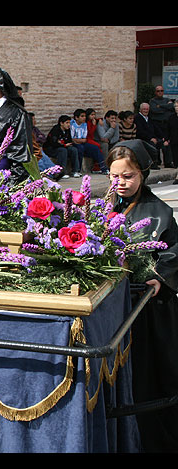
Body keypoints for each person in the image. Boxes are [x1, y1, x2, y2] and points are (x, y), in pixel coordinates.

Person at [106, 139, 178, 452]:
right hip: (111, 308)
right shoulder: (100, 208)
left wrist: (160, 275)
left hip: (147, 311)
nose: (120, 183)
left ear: (143, 174)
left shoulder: (159, 211)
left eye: (128, 176)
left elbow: (174, 250)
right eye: (114, 176)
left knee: (148, 376)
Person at [70, 109, 108, 174]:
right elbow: (72, 138)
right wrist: (78, 140)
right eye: (82, 116)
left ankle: (103, 168)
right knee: (80, 148)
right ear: (76, 117)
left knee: (95, 148)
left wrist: (79, 140)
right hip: (75, 144)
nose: (84, 118)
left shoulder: (84, 125)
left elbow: (84, 138)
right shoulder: (72, 125)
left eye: (84, 116)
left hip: (83, 142)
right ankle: (76, 170)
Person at [149, 86, 175, 168]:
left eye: (161, 91)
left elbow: (172, 107)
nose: (160, 92)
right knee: (157, 142)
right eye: (158, 91)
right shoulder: (152, 101)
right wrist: (165, 107)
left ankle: (168, 162)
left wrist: (160, 106)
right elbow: (154, 110)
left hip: (166, 124)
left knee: (167, 142)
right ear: (155, 92)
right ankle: (157, 161)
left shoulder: (167, 100)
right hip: (156, 124)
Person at [134, 103, 162, 169]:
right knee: (151, 145)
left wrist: (162, 137)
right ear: (140, 109)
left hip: (151, 138)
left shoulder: (149, 118)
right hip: (142, 139)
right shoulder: (137, 118)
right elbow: (140, 131)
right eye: (144, 109)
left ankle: (167, 162)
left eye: (147, 109)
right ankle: (152, 163)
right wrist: (150, 138)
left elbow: (156, 129)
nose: (146, 111)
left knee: (163, 143)